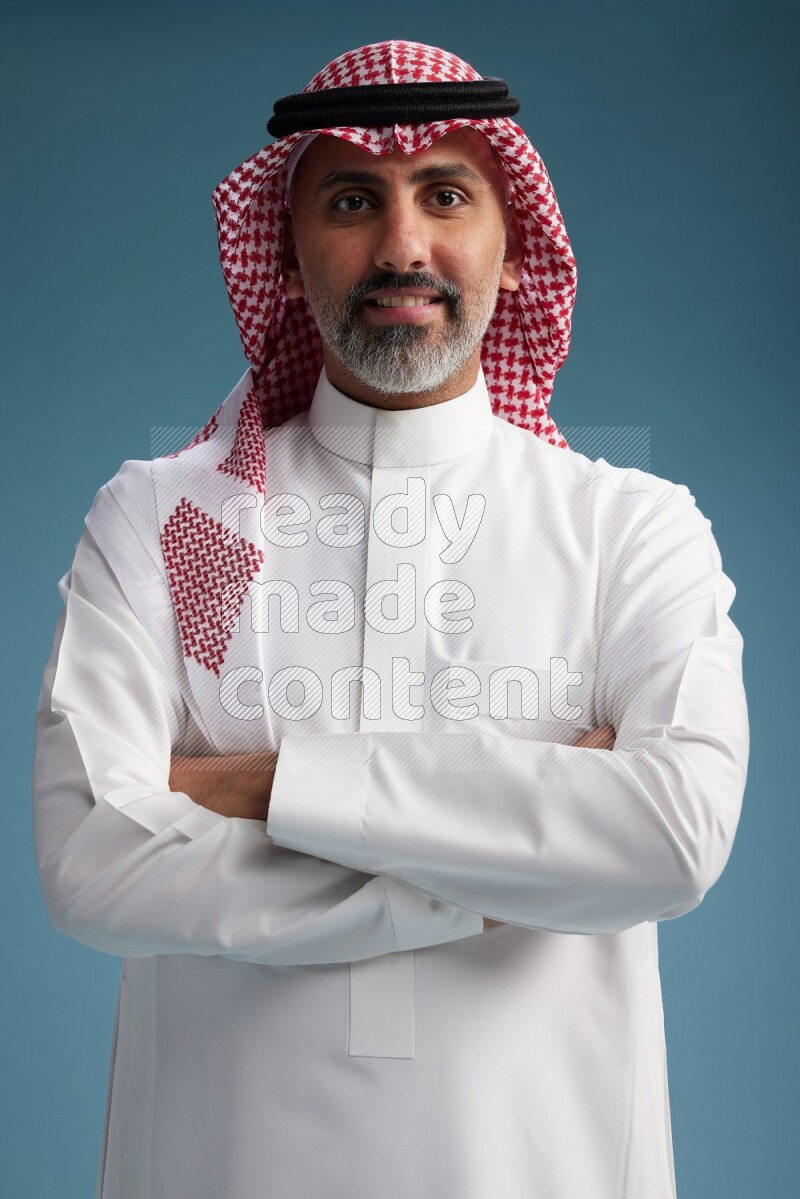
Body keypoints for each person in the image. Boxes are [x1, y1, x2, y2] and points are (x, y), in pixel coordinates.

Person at [32, 39, 749, 1199]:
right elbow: (93, 862)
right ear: (285, 244)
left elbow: (669, 838)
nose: (401, 247)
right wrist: (521, 865)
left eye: (446, 196)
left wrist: (254, 782)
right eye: (354, 200)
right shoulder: (165, 519)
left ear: (513, 250)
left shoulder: (630, 528)